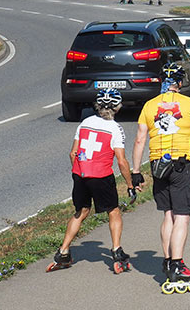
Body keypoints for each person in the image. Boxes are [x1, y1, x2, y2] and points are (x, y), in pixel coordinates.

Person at [131, 62, 190, 291]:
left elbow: (139, 139)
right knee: (182, 215)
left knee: (168, 214)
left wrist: (136, 172)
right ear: (179, 82)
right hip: (180, 165)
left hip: (158, 165)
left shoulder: (149, 106)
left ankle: (167, 260)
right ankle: (177, 264)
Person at [48, 89, 135, 274]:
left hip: (80, 173)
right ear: (117, 108)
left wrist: (79, 170)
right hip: (101, 175)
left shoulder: (85, 123)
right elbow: (121, 160)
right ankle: (116, 251)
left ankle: (63, 251)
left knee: (81, 211)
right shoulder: (115, 129)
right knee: (113, 211)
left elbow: (73, 152)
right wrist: (130, 185)